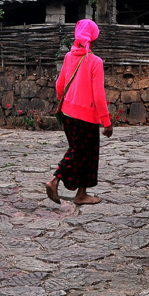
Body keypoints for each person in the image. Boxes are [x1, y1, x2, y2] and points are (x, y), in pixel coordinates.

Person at [45, 18, 112, 205]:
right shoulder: (95, 62)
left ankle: (81, 194)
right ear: (93, 38)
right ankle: (55, 180)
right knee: (82, 153)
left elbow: (60, 86)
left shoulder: (68, 57)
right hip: (86, 118)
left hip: (67, 114)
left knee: (81, 152)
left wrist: (67, 102)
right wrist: (106, 122)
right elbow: (98, 96)